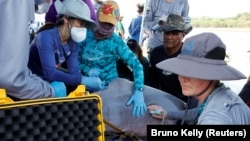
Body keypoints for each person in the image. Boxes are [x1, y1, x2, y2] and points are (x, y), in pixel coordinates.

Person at [147, 32, 250, 124]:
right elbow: (199, 111)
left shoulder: (214, 118)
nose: (183, 78)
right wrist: (168, 114)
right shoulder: (219, 95)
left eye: (193, 72)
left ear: (213, 74)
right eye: (182, 70)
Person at [78, 0, 146, 118]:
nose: (105, 26)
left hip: (110, 91)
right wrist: (87, 70)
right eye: (103, 22)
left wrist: (139, 90)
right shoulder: (85, 34)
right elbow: (74, 60)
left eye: (109, 24)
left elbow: (137, 65)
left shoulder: (117, 42)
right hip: (82, 88)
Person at [28, 0, 106, 93]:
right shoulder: (46, 37)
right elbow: (50, 73)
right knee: (60, 88)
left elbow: (74, 72)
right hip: (30, 79)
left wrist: (87, 81)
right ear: (66, 19)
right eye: (80, 24)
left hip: (48, 80)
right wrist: (83, 80)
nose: (83, 28)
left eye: (84, 25)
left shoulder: (73, 43)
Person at [0, 0, 68, 100]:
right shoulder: (19, 3)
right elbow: (11, 79)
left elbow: (17, 69)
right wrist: (51, 91)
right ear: (66, 20)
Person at [148, 13, 197, 108]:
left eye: (175, 33)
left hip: (184, 103)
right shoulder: (156, 53)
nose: (169, 37)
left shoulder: (190, 56)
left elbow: (195, 91)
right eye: (166, 32)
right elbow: (151, 82)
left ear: (183, 35)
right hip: (161, 100)